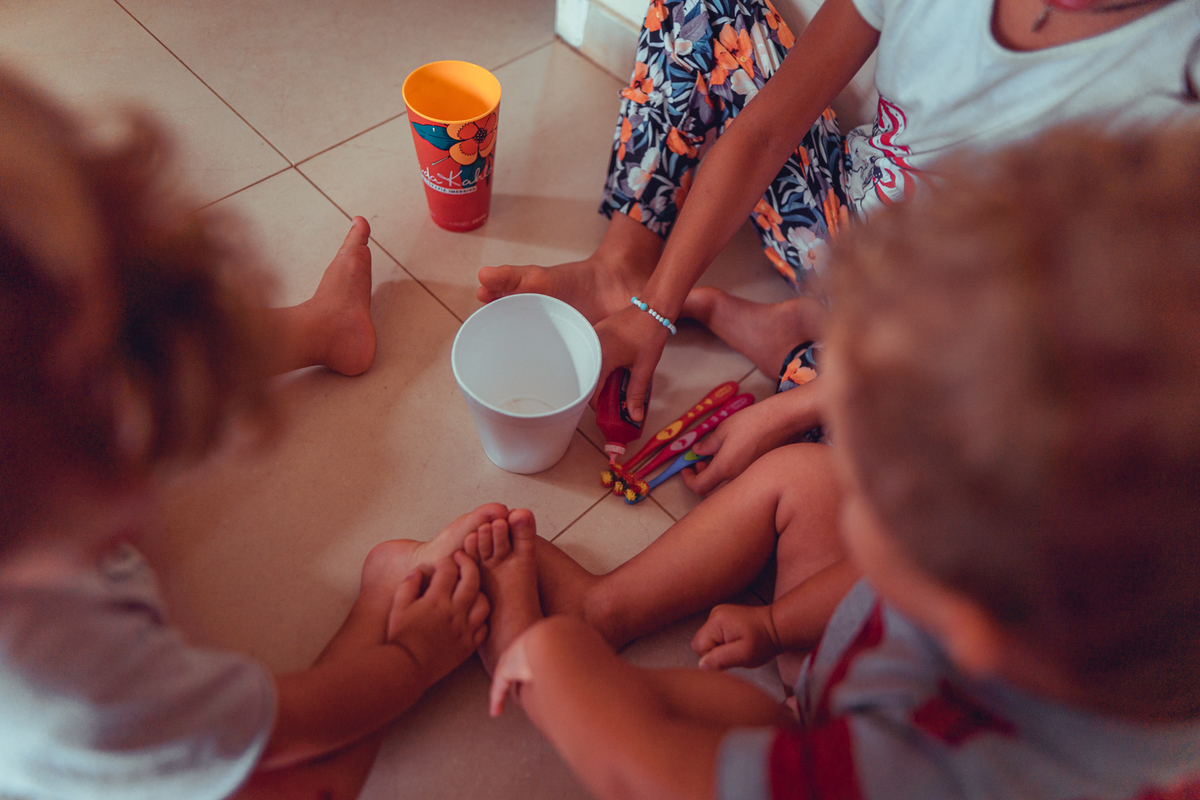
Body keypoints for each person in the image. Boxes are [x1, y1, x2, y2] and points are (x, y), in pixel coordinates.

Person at [479, 124, 1200, 800]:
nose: (852, 498)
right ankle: (604, 609)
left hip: (837, 751)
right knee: (803, 478)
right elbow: (878, 584)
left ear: (965, 616)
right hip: (839, 695)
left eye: (867, 499)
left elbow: (652, 775)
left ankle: (542, 646)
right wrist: (776, 626)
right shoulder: (1060, 599)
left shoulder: (914, 774)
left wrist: (553, 662)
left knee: (599, 710)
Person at [0, 67, 505, 800]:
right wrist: (414, 655)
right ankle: (376, 597)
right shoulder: (81, 696)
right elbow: (300, 744)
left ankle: (324, 328)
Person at [477, 0, 1200, 497]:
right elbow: (765, 129)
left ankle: (808, 354)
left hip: (961, 339)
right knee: (709, 11)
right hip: (840, 230)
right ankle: (623, 269)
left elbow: (1052, 358)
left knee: (953, 485)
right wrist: (653, 307)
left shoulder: (1175, 81)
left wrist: (786, 413)